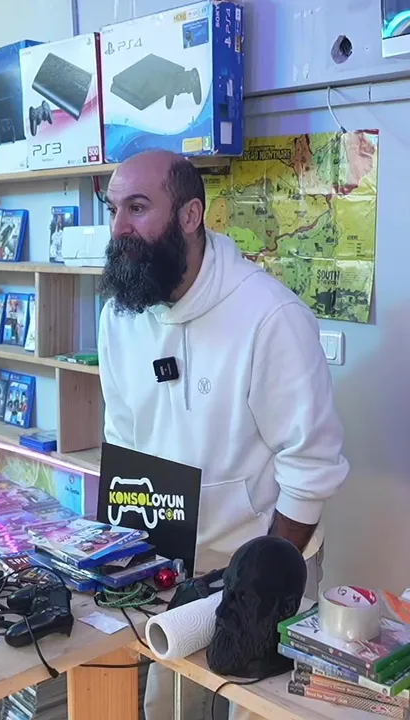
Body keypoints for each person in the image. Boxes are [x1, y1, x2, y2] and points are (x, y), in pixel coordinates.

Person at [98, 150, 349, 720]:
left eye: (137, 208)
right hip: (170, 563)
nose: (119, 228)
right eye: (113, 209)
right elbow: (123, 439)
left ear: (190, 215)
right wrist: (127, 561)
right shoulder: (121, 315)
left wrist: (261, 584)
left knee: (255, 707)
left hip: (264, 561)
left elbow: (310, 466)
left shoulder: (271, 316)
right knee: (169, 707)